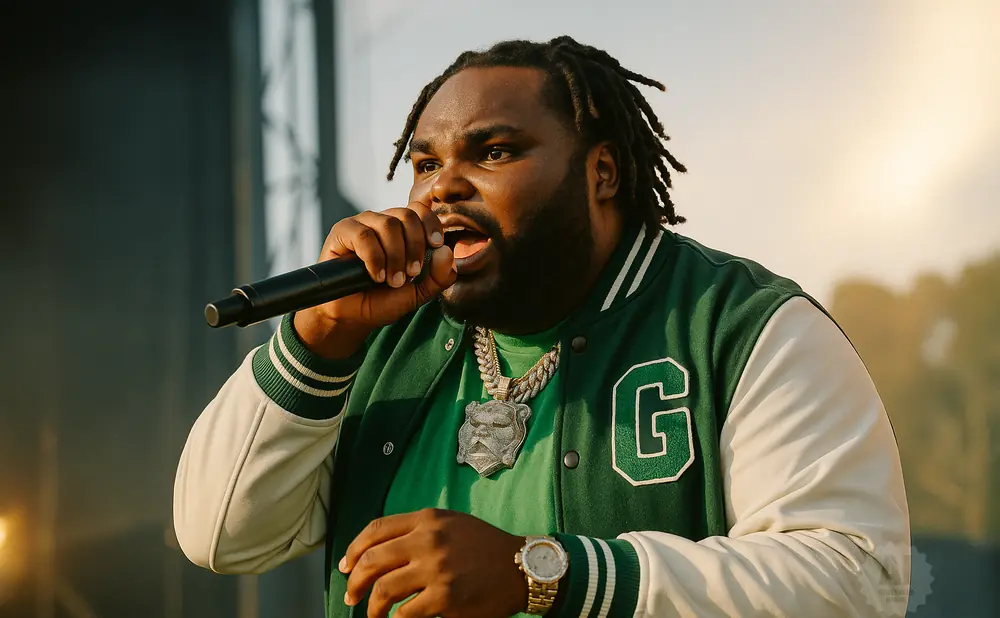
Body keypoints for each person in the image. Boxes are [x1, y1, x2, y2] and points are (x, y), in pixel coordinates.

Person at [173, 36, 910, 618]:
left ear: (603, 173)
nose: (443, 186)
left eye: (494, 152)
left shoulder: (742, 325)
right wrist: (319, 338)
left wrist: (546, 572)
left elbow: (856, 582)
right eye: (425, 162)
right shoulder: (375, 336)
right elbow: (220, 535)